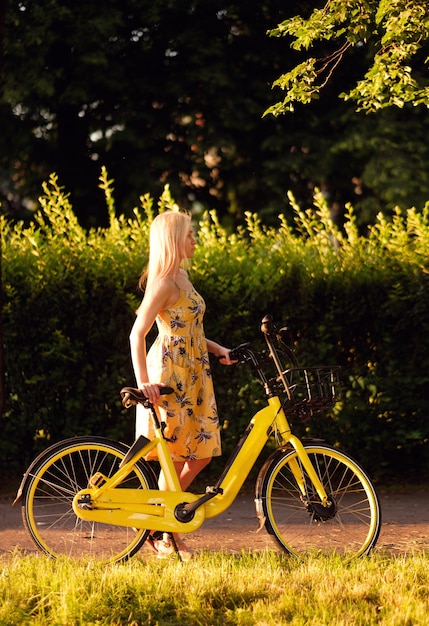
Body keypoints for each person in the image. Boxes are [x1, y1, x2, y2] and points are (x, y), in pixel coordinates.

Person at [129, 210, 235, 560]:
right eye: (189, 235)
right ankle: (166, 535)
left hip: (196, 375)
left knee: (200, 455)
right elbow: (138, 334)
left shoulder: (184, 277)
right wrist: (144, 382)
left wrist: (218, 349)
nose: (194, 240)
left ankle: (155, 527)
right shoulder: (163, 283)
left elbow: (189, 331)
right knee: (174, 461)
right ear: (174, 240)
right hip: (170, 377)